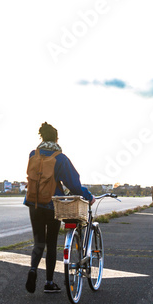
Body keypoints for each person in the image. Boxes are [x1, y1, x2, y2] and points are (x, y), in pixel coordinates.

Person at [24, 122, 95, 293]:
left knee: (38, 242)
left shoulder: (34, 154)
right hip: (52, 204)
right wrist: (88, 195)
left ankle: (33, 270)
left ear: (42, 137)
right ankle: (49, 283)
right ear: (56, 138)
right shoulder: (60, 158)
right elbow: (73, 183)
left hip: (33, 202)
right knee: (51, 242)